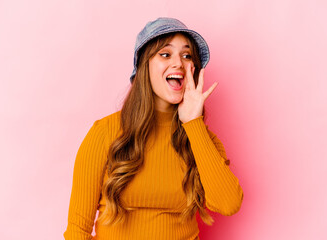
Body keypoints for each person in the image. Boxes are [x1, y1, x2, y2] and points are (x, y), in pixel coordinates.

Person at [64, 17, 244, 240]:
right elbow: (77, 231)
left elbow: (228, 204)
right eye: (165, 54)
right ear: (144, 66)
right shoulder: (105, 133)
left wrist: (193, 124)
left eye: (187, 55)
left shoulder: (201, 139)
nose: (178, 63)